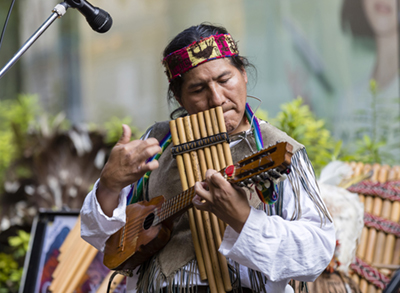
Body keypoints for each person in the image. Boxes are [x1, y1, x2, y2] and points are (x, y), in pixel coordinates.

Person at [80, 23, 336, 293]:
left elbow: (316, 254)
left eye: (225, 80)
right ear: (179, 97)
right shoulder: (156, 142)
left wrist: (243, 219)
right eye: (198, 89)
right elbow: (106, 243)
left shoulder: (279, 148)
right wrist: (109, 187)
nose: (216, 99)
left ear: (244, 75)